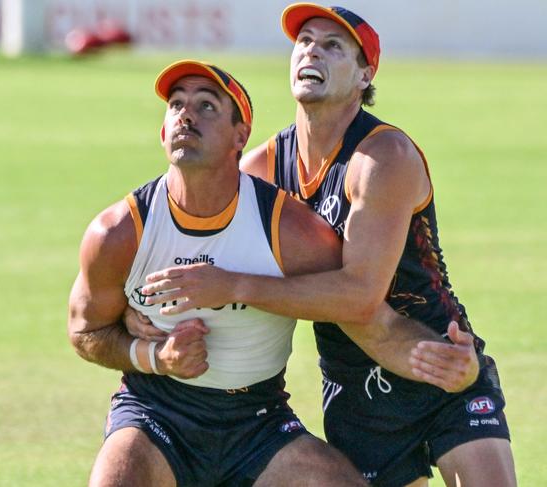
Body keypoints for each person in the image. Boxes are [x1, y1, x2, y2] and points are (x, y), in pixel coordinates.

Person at [139, 5, 516, 487]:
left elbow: (359, 297)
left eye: (332, 45)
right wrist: (140, 313)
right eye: (304, 41)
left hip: (439, 359)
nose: (311, 49)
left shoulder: (383, 157)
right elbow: (196, 247)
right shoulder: (262, 169)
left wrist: (232, 285)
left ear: (365, 75)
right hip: (355, 387)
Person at [68, 59, 373, 487]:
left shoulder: (289, 229)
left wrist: (426, 351)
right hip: (156, 413)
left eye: (207, 106)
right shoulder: (118, 232)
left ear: (240, 136)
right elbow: (84, 332)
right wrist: (158, 358)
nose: (186, 115)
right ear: (162, 132)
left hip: (258, 421)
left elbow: (354, 299)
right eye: (176, 105)